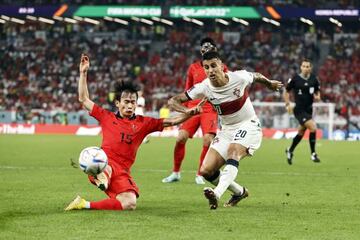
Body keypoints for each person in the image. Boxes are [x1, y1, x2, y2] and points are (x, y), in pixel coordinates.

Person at [65, 54, 203, 211]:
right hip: (104, 163)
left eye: (132, 102)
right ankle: (101, 173)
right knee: (103, 162)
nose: (130, 106)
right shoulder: (106, 116)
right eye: (126, 102)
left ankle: (83, 204)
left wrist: (189, 113)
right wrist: (83, 73)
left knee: (129, 203)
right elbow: (83, 99)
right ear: (118, 103)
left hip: (122, 171)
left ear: (136, 104)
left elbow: (171, 121)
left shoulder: (143, 123)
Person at [168, 50, 283, 209]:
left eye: (214, 66)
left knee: (233, 151)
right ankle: (239, 192)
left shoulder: (239, 77)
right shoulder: (204, 87)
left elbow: (255, 75)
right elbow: (173, 101)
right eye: (207, 67)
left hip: (248, 124)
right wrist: (187, 111)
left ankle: (217, 193)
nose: (210, 71)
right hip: (227, 130)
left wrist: (269, 83)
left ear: (222, 66)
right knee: (206, 170)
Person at [162, 37, 227, 185]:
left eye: (209, 48)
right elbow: (187, 90)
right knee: (180, 138)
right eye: (204, 48)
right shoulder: (193, 68)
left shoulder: (221, 67)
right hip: (192, 107)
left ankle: (200, 173)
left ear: (215, 50)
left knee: (207, 140)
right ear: (200, 50)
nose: (206, 50)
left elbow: (226, 87)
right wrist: (187, 109)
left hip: (210, 108)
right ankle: (175, 173)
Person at [284, 59, 321, 165]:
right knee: (313, 127)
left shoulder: (314, 79)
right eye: (303, 66)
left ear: (310, 68)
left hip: (309, 109)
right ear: (301, 67)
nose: (305, 68)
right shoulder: (295, 79)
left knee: (301, 132)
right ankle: (313, 154)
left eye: (307, 66)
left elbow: (317, 92)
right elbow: (286, 91)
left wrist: (317, 97)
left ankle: (290, 150)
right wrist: (287, 104)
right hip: (299, 110)